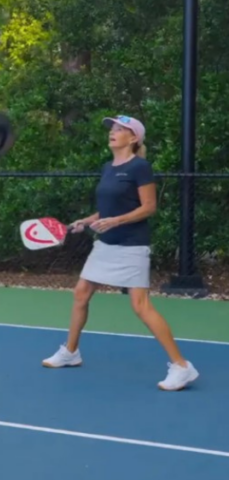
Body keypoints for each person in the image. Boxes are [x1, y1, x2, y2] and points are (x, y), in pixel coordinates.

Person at [41, 115, 199, 391]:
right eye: (112, 129)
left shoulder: (140, 167)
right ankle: (71, 352)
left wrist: (115, 221)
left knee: (140, 306)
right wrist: (86, 221)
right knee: (81, 293)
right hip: (106, 244)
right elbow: (107, 209)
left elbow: (148, 207)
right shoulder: (107, 168)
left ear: (134, 138)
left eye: (120, 130)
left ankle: (181, 367)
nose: (112, 133)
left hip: (131, 244)